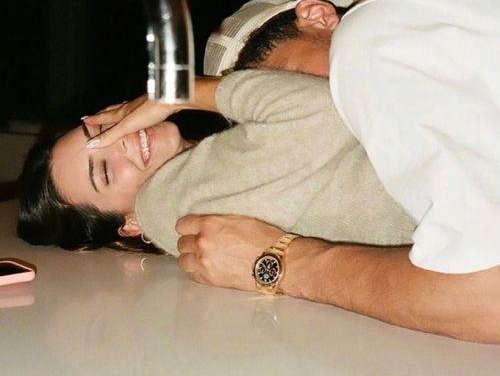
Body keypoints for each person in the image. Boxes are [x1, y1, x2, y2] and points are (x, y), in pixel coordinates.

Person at [84, 0, 500, 344]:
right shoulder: (423, 17)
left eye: (285, 83)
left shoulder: (365, 42)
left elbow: (487, 298)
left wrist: (281, 262)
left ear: (317, 17)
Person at [18, 68, 416, 255]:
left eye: (101, 131)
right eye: (104, 171)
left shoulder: (207, 170)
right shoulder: (165, 206)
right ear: (132, 224)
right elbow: (325, 111)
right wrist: (180, 92)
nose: (119, 139)